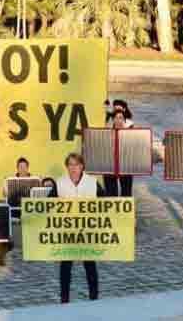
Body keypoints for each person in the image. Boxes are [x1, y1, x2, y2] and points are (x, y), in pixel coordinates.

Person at [57, 152, 103, 303]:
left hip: (87, 231)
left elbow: (108, 202)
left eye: (76, 164)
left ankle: (94, 296)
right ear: (67, 167)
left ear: (82, 166)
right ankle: (64, 298)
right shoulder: (60, 183)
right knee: (65, 266)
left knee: (90, 264)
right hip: (67, 231)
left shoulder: (92, 182)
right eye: (70, 164)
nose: (73, 168)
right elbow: (47, 205)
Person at [102, 101, 135, 198]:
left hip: (126, 166)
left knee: (126, 194)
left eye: (121, 118)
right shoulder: (106, 131)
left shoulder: (131, 131)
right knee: (111, 194)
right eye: (116, 117)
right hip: (109, 166)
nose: (118, 120)